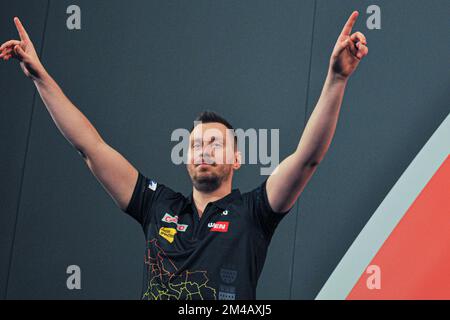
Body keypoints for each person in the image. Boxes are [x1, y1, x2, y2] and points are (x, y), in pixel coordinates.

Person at [0, 11, 368, 300]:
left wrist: (336, 78)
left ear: (237, 159)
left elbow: (307, 158)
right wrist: (39, 77)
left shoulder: (254, 213)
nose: (202, 150)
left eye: (214, 143)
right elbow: (90, 147)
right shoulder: (155, 205)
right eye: (195, 145)